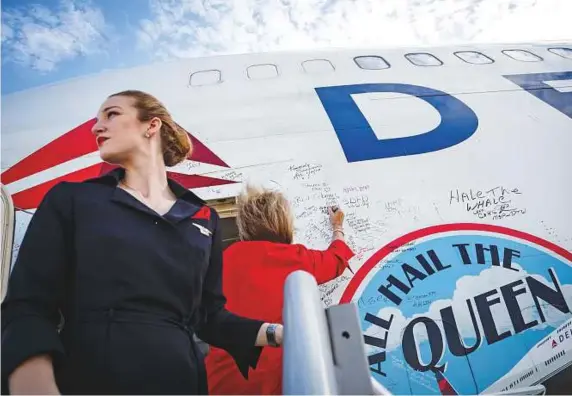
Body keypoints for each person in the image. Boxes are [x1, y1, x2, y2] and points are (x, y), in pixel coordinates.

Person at [1, 90, 283, 395]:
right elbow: (29, 303)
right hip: (92, 375)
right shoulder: (72, 199)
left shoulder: (204, 217)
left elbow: (210, 317)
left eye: (111, 114)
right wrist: (33, 384)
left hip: (181, 379)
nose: (96, 127)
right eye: (97, 119)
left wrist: (277, 333)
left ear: (152, 126)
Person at [205, 185, 355, 395]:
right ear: (283, 222)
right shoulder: (296, 258)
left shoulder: (222, 260)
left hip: (222, 381)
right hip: (277, 382)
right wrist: (337, 227)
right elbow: (336, 259)